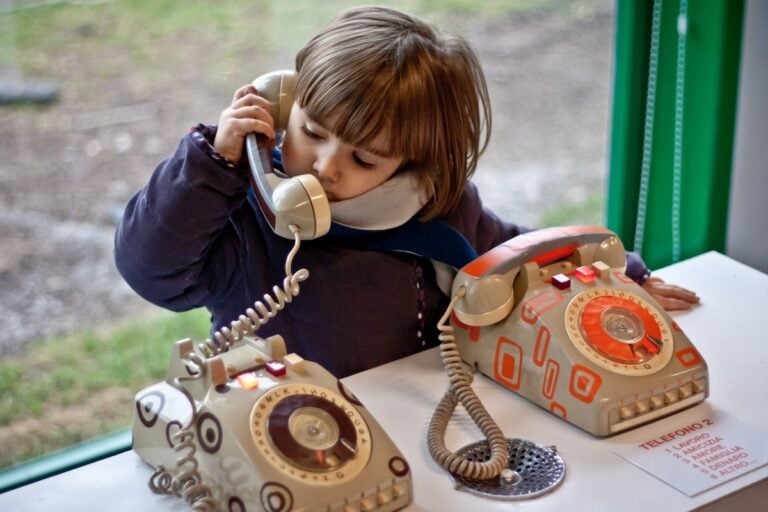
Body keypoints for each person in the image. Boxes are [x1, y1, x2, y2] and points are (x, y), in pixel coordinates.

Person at [114, 6, 698, 378]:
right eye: (311, 131)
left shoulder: (436, 207)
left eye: (364, 158)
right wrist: (211, 163)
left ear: (411, 166)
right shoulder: (240, 210)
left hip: (418, 424)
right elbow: (150, 270)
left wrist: (621, 280)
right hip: (283, 433)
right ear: (283, 105)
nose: (324, 166)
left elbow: (511, 255)